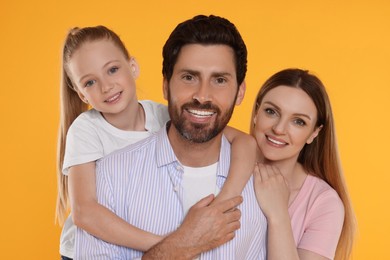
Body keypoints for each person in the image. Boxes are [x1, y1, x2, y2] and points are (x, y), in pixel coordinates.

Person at [55, 24, 257, 259]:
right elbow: (85, 213)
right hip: (84, 247)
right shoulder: (86, 129)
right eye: (90, 82)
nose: (106, 86)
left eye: (112, 70)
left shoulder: (161, 115)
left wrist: (224, 202)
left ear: (132, 67)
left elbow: (244, 141)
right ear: (81, 94)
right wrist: (179, 242)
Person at [251, 68, 356, 260]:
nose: (279, 129)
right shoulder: (224, 164)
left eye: (298, 121)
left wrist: (279, 214)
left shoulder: (324, 203)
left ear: (314, 133)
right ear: (256, 112)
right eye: (271, 111)